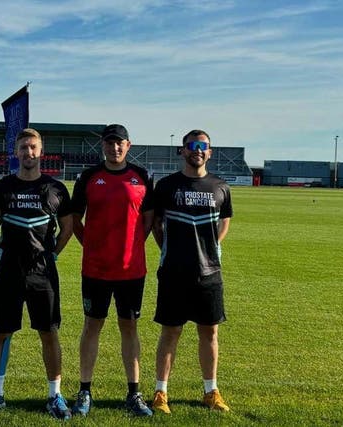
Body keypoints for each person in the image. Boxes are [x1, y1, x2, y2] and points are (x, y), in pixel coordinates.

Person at [0, 128, 73, 420]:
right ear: (16, 152)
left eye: (33, 147)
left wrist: (53, 254)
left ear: (41, 151)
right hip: (9, 271)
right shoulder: (1, 188)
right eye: (23, 148)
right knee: (2, 332)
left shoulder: (56, 188)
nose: (28, 152)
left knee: (49, 332)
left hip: (42, 274)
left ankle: (54, 395)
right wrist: (0, 253)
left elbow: (68, 228)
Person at [71, 124, 154, 417]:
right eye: (109, 143)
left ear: (128, 145)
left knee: (129, 327)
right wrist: (89, 245)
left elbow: (148, 219)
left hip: (132, 271)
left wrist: (133, 247)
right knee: (92, 326)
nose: (114, 148)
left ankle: (134, 393)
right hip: (95, 269)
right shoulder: (89, 177)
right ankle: (84, 391)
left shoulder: (142, 177)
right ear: (103, 146)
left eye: (119, 143)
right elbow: (73, 218)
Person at [151, 129, 233, 414]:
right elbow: (156, 224)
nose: (197, 150)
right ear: (182, 150)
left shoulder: (220, 186)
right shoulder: (166, 186)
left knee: (209, 332)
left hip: (209, 272)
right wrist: (167, 250)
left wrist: (214, 246)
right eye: (192, 145)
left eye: (203, 146)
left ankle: (211, 391)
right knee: (170, 332)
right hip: (174, 271)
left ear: (209, 152)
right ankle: (161, 392)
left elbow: (225, 219)